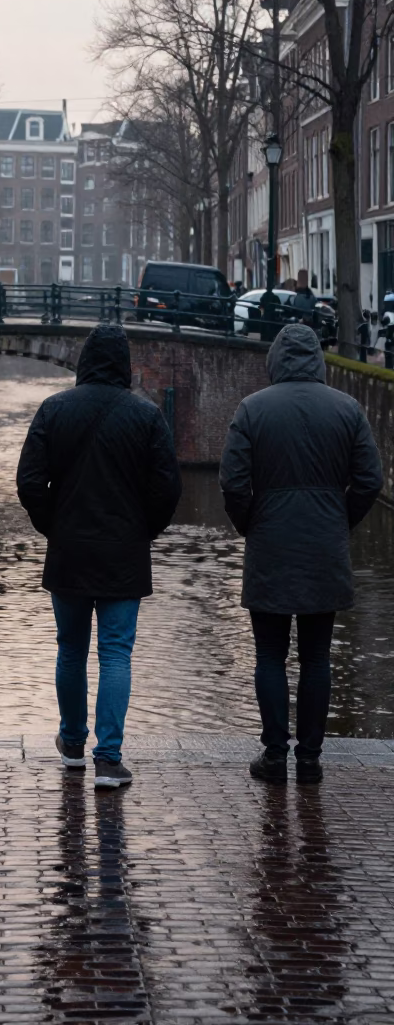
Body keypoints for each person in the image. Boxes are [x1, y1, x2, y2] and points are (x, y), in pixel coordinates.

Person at [16, 324, 182, 789]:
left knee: (70, 648)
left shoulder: (54, 409)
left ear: (85, 360)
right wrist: (142, 530)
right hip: (123, 555)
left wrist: (54, 525)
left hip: (69, 551)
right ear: (125, 364)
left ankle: (71, 744)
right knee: (116, 653)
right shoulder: (146, 417)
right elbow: (167, 488)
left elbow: (29, 481)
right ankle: (108, 759)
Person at [220, 324, 382, 786]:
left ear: (275, 360)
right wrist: (338, 521)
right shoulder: (347, 409)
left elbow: (232, 482)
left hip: (269, 544)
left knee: (269, 654)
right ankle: (310, 760)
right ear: (318, 360)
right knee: (316, 657)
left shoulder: (253, 409)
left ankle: (274, 757)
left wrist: (250, 524)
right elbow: (369, 480)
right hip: (323, 548)